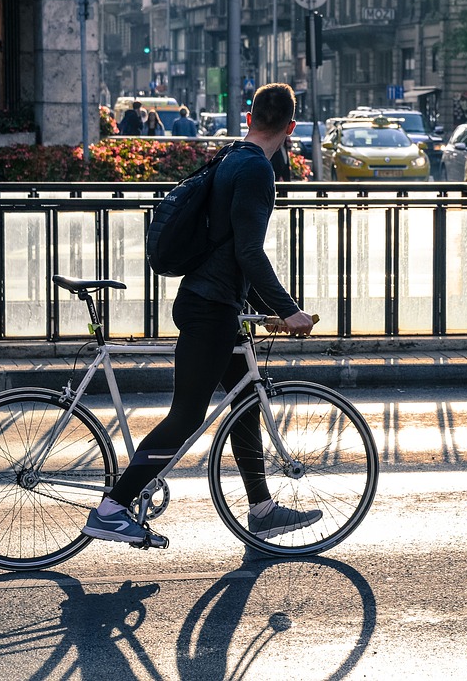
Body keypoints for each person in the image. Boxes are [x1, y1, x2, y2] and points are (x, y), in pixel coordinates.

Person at [81, 82, 318, 546]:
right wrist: (288, 310)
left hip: (219, 304)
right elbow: (249, 251)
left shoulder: (232, 156)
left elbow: (225, 246)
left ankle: (262, 508)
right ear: (291, 128)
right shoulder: (255, 172)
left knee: (245, 404)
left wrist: (252, 309)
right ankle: (113, 508)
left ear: (250, 116)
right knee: (186, 415)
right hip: (210, 308)